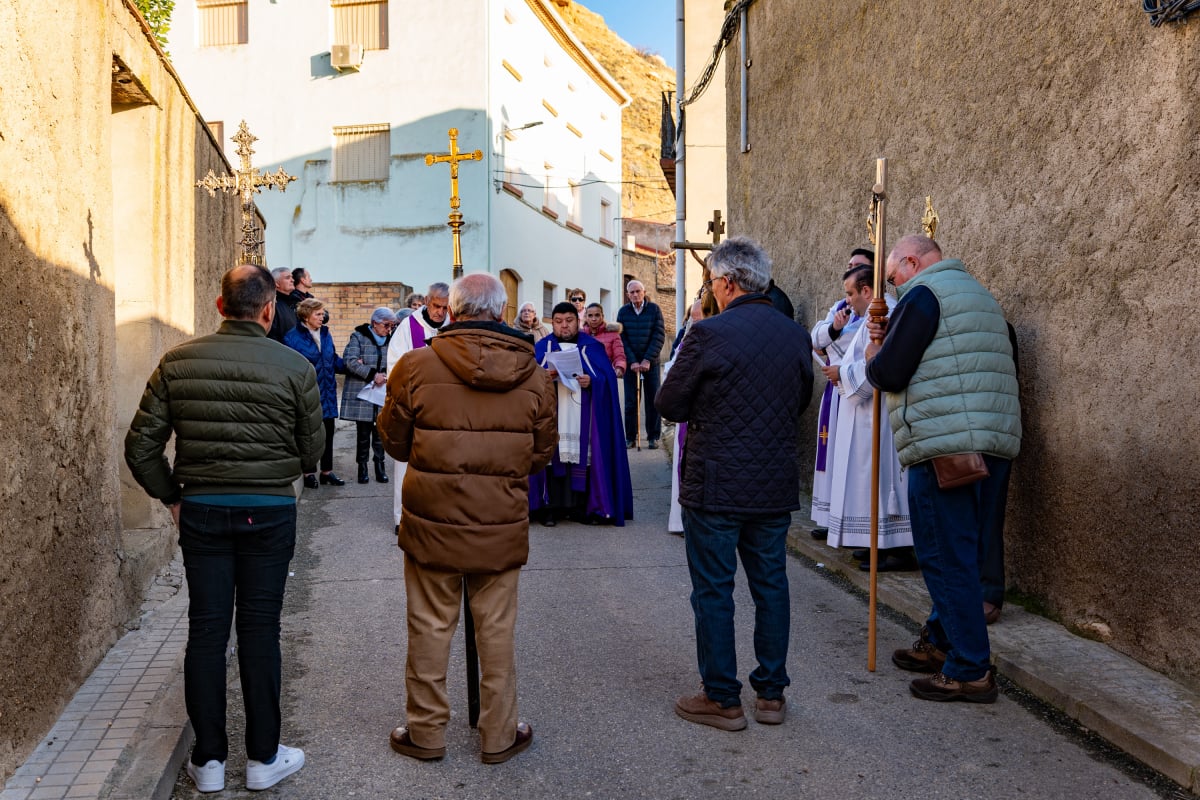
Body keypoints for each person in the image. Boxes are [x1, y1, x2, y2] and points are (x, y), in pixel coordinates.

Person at [124, 264, 323, 793]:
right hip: (270, 510)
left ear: (218, 307)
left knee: (207, 630)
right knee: (261, 630)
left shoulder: (176, 363)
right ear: (267, 310)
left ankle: (209, 763)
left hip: (204, 510)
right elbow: (311, 451)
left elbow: (140, 447)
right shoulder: (295, 366)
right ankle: (263, 758)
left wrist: (171, 497)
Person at [377, 273, 556, 765]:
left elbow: (393, 442)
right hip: (498, 521)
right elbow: (541, 455)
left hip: (432, 520)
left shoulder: (415, 366)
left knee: (430, 626)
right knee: (496, 631)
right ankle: (498, 734)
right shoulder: (535, 375)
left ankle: (426, 732)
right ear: (501, 313)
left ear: (451, 312)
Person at [656, 236, 813, 731]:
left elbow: (668, 404)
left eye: (710, 282)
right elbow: (801, 399)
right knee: (771, 587)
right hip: (770, 482)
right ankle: (771, 694)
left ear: (725, 283)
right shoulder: (794, 335)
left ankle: (722, 697)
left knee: (713, 591)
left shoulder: (709, 334)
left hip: (717, 484)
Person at [865, 234, 1021, 704]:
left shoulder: (924, 295)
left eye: (892, 279)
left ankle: (970, 668)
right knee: (964, 552)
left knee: (943, 554)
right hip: (992, 442)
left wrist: (875, 352)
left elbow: (890, 373)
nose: (892, 290)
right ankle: (940, 641)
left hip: (946, 446)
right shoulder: (976, 293)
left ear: (912, 262)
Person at [821, 264, 915, 571]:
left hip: (878, 412)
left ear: (867, 290)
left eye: (850, 294)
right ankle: (873, 540)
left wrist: (842, 374)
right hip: (862, 410)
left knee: (878, 475)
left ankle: (894, 546)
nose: (848, 301)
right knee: (866, 477)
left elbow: (880, 361)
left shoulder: (884, 313)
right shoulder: (869, 317)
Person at [529, 302, 633, 527]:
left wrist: (592, 381)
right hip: (552, 416)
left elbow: (607, 380)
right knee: (549, 456)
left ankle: (582, 507)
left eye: (569, 321)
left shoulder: (591, 347)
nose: (564, 326)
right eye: (558, 322)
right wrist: (543, 377)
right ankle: (549, 509)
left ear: (578, 322)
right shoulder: (542, 347)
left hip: (581, 416)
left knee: (582, 456)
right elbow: (527, 378)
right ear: (552, 323)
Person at [809, 248, 874, 540]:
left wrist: (832, 344)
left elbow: (853, 346)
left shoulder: (879, 310)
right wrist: (834, 331)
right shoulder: (841, 307)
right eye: (848, 265)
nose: (849, 269)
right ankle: (833, 518)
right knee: (834, 454)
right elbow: (815, 339)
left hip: (859, 392)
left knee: (859, 463)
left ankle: (856, 528)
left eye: (857, 267)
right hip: (838, 391)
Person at [386, 283, 451, 527]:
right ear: (426, 301)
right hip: (414, 405)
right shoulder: (408, 327)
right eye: (436, 306)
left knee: (440, 464)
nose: (440, 313)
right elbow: (395, 366)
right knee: (406, 463)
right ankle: (401, 517)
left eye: (445, 308)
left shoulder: (451, 326)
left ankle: (435, 515)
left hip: (444, 408)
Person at [284, 298, 346, 489]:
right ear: (306, 316)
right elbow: (291, 367)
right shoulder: (292, 338)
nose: (322, 317)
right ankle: (308, 472)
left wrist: (350, 365)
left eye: (323, 313)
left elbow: (332, 358)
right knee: (309, 435)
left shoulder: (326, 334)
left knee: (328, 432)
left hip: (327, 392)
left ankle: (327, 472)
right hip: (308, 393)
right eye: (318, 314)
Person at [664, 298, 709, 536]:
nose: (695, 320)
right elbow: (669, 371)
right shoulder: (686, 341)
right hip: (689, 416)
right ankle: (681, 521)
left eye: (700, 315)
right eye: (693, 316)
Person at [341, 306, 397, 484]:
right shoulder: (358, 337)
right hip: (364, 393)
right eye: (386, 325)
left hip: (383, 393)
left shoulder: (392, 340)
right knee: (363, 433)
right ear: (375, 323)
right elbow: (350, 361)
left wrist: (385, 374)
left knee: (380, 433)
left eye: (392, 326)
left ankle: (379, 466)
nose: (389, 329)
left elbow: (398, 361)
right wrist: (373, 374)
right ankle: (362, 468)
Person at [617, 279, 666, 449]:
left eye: (638, 291)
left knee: (653, 400)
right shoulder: (623, 312)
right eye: (632, 292)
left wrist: (647, 360)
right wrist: (632, 361)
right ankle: (630, 437)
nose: (635, 295)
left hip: (650, 363)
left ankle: (653, 437)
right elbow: (621, 339)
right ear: (627, 294)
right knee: (630, 402)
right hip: (632, 364)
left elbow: (659, 336)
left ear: (644, 292)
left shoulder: (654, 310)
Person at [582, 303, 626, 377]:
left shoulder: (613, 334)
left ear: (602, 316)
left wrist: (619, 367)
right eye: (590, 315)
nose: (593, 319)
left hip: (606, 376)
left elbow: (619, 355)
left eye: (597, 315)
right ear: (586, 317)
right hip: (585, 377)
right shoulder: (581, 335)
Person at [266, 267, 299, 343]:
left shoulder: (295, 302)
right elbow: (271, 336)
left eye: (292, 277)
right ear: (276, 283)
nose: (292, 280)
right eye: (287, 278)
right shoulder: (273, 305)